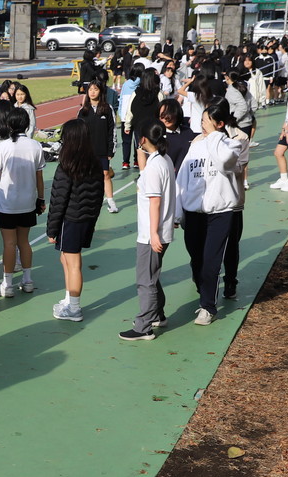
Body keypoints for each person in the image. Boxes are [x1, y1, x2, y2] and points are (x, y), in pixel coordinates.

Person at [176, 102, 243, 325]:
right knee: (196, 259)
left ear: (220, 124)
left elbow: (224, 164)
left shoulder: (232, 145)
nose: (202, 125)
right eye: (201, 121)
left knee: (211, 260)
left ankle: (208, 307)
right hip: (194, 213)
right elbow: (182, 178)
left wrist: (213, 136)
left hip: (220, 212)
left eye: (206, 121)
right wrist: (178, 212)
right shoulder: (194, 147)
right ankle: (204, 289)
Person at [120, 122, 177, 341]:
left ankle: (144, 326)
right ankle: (158, 314)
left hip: (151, 233)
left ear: (143, 140)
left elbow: (155, 201)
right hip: (160, 230)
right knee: (152, 275)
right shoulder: (163, 160)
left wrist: (153, 234)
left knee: (146, 280)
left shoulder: (155, 167)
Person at [46, 119, 105, 322]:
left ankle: (74, 308)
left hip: (70, 220)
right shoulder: (94, 163)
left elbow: (58, 200)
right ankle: (68, 298)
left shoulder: (67, 166)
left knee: (73, 263)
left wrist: (51, 230)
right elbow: (99, 196)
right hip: (85, 218)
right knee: (66, 259)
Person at [0, 108, 46, 299]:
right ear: (26, 124)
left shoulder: (2, 147)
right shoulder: (35, 146)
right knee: (24, 242)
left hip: (7, 203)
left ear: (9, 125)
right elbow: (39, 177)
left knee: (9, 244)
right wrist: (41, 199)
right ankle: (28, 281)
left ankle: (7, 284)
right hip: (28, 202)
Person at [77, 82, 117, 221]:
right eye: (90, 90)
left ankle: (111, 201)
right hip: (87, 151)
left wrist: (111, 149)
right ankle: (87, 202)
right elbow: (79, 132)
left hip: (102, 149)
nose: (93, 92)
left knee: (105, 174)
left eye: (95, 89)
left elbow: (112, 130)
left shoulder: (107, 108)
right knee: (87, 176)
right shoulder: (83, 111)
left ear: (100, 91)